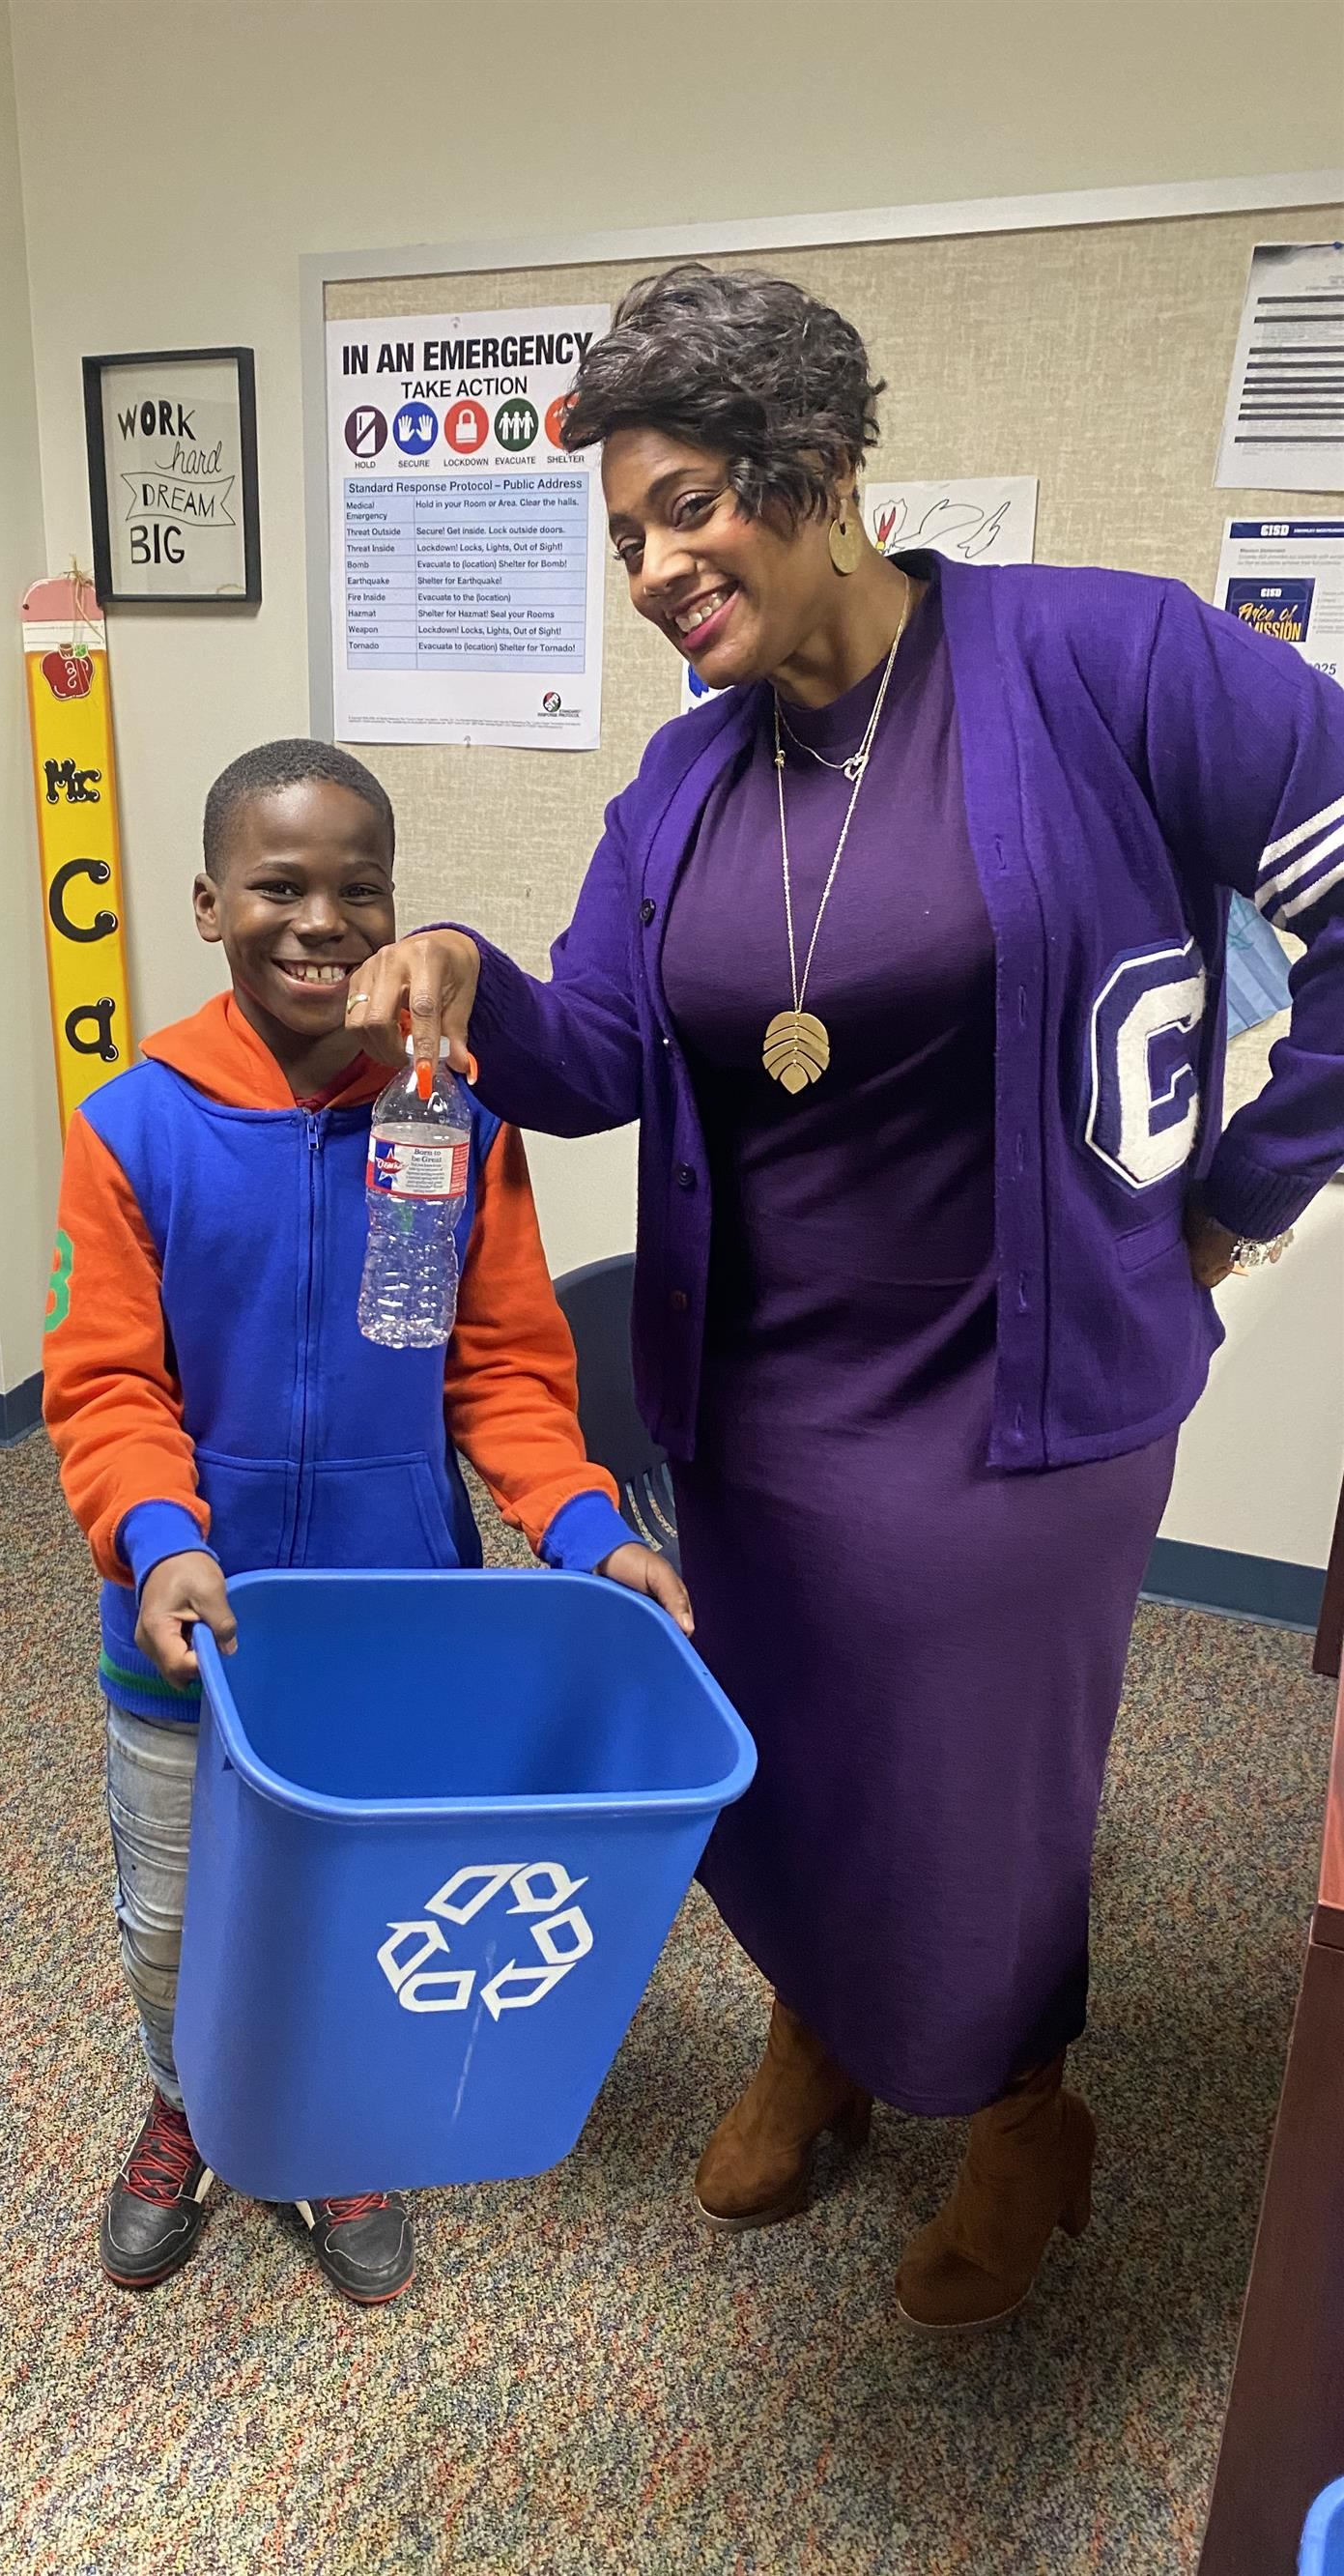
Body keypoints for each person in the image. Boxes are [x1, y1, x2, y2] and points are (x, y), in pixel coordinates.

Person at [346, 264, 1344, 2334]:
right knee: (782, 1744)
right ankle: (816, 2025)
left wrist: (1237, 1201)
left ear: (822, 471)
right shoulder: (689, 782)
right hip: (765, 1393)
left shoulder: (1101, 657)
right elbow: (600, 1047)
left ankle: (1014, 2106)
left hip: (1024, 1390)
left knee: (976, 1775)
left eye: (688, 503)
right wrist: (458, 966)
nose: (651, 566)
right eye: (624, 532)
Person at [42, 737, 686, 2306]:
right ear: (208, 904)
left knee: (363, 1911)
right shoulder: (135, 1126)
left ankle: (336, 2122)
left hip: (403, 1627)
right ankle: (189, 2106)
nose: (319, 921)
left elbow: (514, 1376)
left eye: (358, 888)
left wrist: (590, 1534)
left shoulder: (457, 1121)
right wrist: (156, 1535)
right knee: (175, 1916)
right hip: (205, 1630)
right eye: (278, 885)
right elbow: (108, 1382)